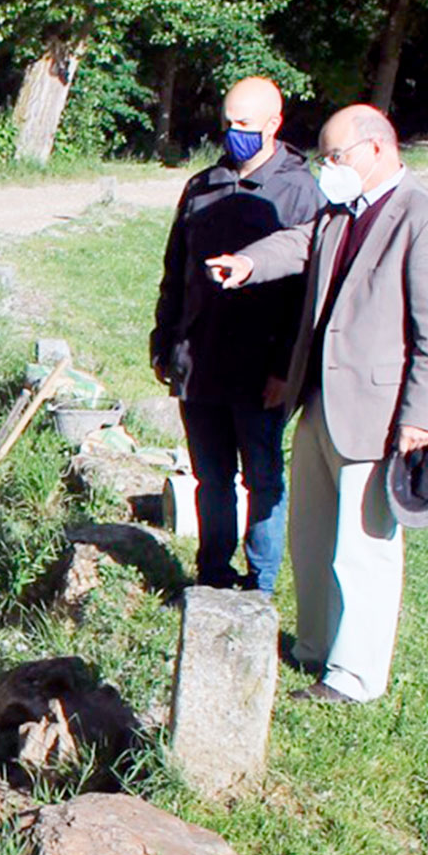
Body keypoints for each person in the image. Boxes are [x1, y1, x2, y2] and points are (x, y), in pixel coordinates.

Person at [207, 104, 428, 704]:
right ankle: (315, 649)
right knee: (314, 537)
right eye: (324, 157)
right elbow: (299, 244)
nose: (329, 168)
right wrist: (249, 263)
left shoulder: (427, 223)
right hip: (319, 402)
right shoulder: (341, 214)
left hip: (378, 419)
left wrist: (419, 420)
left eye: (336, 157)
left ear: (377, 149)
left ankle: (353, 678)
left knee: (363, 549)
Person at [151, 76, 321, 594]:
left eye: (245, 125)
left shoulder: (301, 193)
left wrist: (284, 371)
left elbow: (306, 293)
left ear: (274, 124)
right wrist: (165, 340)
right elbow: (175, 268)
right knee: (212, 477)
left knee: (263, 479)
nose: (234, 133)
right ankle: (213, 574)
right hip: (199, 361)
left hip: (260, 367)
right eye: (228, 123)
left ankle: (261, 582)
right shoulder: (202, 187)